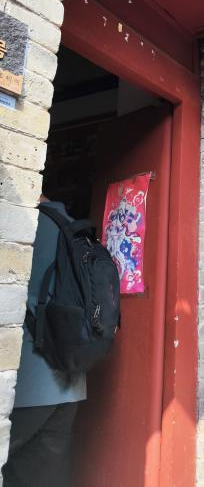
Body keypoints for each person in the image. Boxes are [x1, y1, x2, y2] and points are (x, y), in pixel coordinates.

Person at [2, 197, 86, 487]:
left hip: (27, 381)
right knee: (46, 477)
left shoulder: (23, 220)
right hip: (69, 382)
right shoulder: (75, 230)